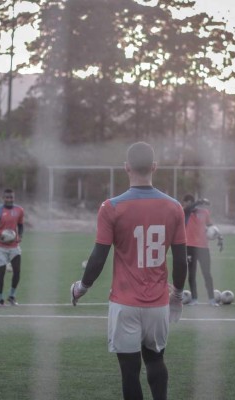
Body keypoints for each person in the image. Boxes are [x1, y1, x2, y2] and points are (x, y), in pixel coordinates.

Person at [70, 142, 188, 400]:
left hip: (124, 303)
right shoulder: (174, 207)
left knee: (129, 372)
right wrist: (177, 295)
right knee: (156, 361)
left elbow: (98, 256)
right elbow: (181, 260)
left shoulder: (111, 207)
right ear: (154, 167)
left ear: (126, 168)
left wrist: (82, 287)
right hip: (158, 304)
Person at [182, 194, 223, 306]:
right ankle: (194, 299)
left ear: (189, 202)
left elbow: (211, 227)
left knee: (207, 274)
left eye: (186, 203)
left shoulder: (204, 212)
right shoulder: (185, 212)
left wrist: (219, 237)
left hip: (203, 247)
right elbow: (188, 209)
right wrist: (200, 201)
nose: (184, 205)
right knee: (192, 274)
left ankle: (211, 299)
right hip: (189, 247)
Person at [0, 188, 24, 306]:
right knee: (1, 273)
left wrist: (20, 235)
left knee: (17, 271)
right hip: (0, 247)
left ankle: (12, 296)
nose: (9, 199)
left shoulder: (19, 210)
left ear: (14, 198)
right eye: (7, 197)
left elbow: (20, 226)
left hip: (14, 246)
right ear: (3, 198)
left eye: (11, 197)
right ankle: (0, 299)